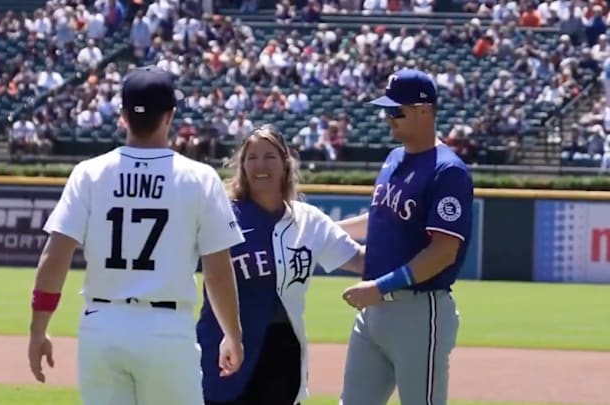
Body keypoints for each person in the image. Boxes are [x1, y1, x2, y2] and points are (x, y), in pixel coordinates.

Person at [27, 66, 246, 405]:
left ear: (123, 115)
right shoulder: (200, 178)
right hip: (166, 328)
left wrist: (38, 328)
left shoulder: (89, 173)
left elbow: (55, 256)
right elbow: (217, 270)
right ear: (170, 115)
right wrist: (232, 333)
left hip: (101, 324)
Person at [196, 124, 366, 405]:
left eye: (269, 156)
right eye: (251, 157)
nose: (260, 165)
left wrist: (407, 242)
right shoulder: (221, 214)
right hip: (223, 348)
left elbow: (361, 260)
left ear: (286, 163)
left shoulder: (308, 220)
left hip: (282, 354)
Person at [337, 68, 474, 405]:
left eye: (396, 111)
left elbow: (443, 251)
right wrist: (326, 230)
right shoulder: (395, 158)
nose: (389, 118)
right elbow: (380, 216)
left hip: (417, 310)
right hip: (373, 313)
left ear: (424, 111)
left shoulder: (448, 170)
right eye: (387, 110)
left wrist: (379, 286)